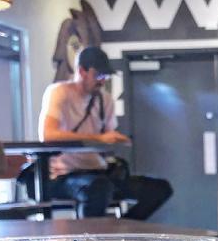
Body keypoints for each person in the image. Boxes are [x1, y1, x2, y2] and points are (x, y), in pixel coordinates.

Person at [38, 46, 173, 219]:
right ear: (82, 71)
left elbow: (108, 137)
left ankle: (124, 229)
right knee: (99, 188)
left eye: (106, 76)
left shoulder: (105, 100)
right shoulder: (59, 93)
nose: (102, 81)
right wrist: (99, 138)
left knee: (159, 189)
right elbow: (48, 135)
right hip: (64, 175)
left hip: (98, 172)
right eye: (99, 75)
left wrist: (115, 141)